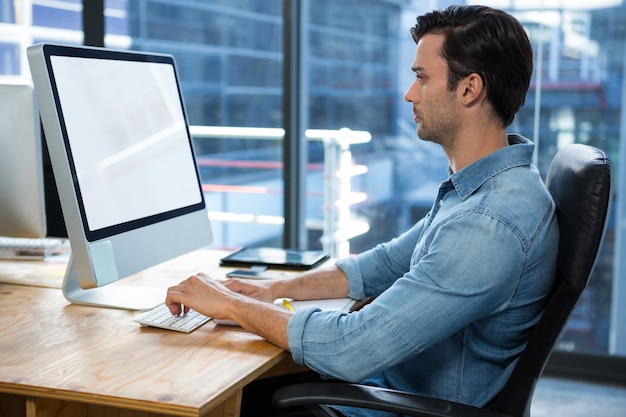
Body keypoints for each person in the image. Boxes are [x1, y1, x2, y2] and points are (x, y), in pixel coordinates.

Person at [165, 5, 559, 417]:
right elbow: (382, 266)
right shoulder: (482, 189)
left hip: (402, 406)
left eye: (422, 78)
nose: (410, 93)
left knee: (200, 398)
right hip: (392, 386)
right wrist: (273, 290)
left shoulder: (489, 224)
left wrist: (232, 307)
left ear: (469, 89)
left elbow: (350, 348)